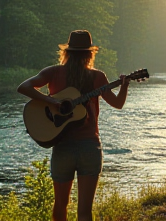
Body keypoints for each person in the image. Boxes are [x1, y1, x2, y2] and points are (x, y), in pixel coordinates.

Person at [17, 30, 130, 221]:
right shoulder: (97, 76)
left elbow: (24, 87)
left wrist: (48, 100)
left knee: (60, 205)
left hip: (63, 149)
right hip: (90, 147)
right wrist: (125, 86)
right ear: (89, 54)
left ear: (67, 52)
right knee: (85, 211)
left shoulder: (52, 72)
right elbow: (118, 104)